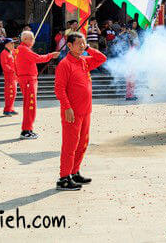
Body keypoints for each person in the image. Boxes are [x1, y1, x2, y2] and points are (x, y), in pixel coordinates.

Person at [54, 32, 107, 191]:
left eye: (84, 43)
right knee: (70, 145)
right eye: (79, 44)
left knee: (82, 143)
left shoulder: (84, 61)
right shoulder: (65, 64)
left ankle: (74, 172)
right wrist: (67, 107)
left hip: (85, 111)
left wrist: (89, 47)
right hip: (72, 112)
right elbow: (59, 89)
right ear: (69, 46)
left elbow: (101, 59)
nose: (82, 46)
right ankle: (63, 178)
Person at [15, 30, 59, 139]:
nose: (34, 40)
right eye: (32, 38)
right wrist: (51, 55)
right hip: (28, 80)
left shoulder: (22, 49)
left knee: (30, 105)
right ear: (25, 39)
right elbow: (38, 58)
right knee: (30, 105)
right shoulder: (24, 49)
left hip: (28, 79)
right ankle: (26, 131)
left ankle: (28, 129)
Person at [0, 38, 18, 116]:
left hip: (14, 76)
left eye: (13, 43)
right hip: (9, 76)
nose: (13, 45)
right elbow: (5, 66)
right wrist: (12, 70)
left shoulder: (11, 52)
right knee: (10, 93)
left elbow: (19, 52)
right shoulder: (4, 53)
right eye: (11, 43)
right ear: (6, 45)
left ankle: (11, 108)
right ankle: (7, 110)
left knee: (13, 93)